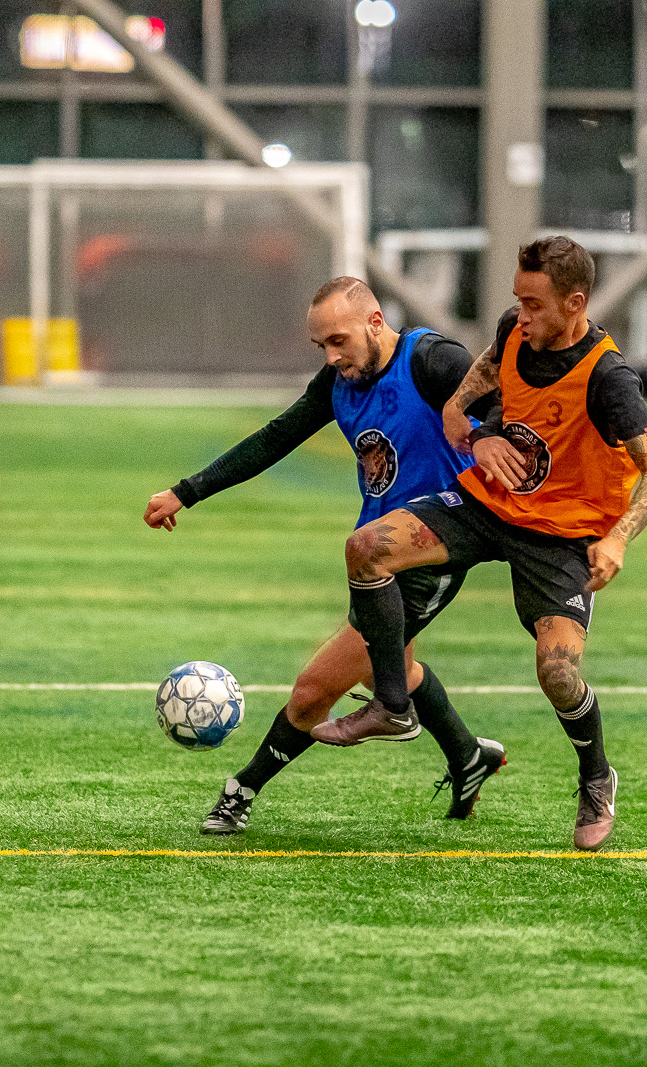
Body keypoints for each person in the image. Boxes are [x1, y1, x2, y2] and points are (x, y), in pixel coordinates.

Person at [325, 236, 647, 851]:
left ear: (576, 303)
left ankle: (597, 776)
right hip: (490, 505)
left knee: (557, 673)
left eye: (536, 304)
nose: (522, 313)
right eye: (518, 300)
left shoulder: (609, 376)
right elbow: (474, 387)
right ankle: (391, 703)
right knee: (366, 548)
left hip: (563, 534)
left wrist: (617, 539)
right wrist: (469, 425)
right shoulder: (516, 328)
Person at [145, 277, 506, 834]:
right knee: (397, 664)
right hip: (374, 559)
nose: (333, 357)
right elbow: (275, 438)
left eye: (340, 341)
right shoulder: (339, 382)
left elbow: (505, 413)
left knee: (316, 687)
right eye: (322, 347)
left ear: (376, 322)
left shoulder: (433, 360)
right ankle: (467, 755)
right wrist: (186, 491)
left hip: (429, 553)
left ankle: (241, 789)